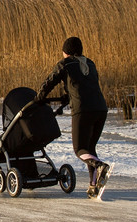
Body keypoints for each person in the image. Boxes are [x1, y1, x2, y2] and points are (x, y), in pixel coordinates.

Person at [34, 37, 109, 198]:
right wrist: (68, 95)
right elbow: (83, 85)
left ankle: (99, 166)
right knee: (90, 149)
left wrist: (39, 98)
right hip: (101, 109)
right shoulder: (90, 63)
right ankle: (93, 186)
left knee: (79, 149)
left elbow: (49, 82)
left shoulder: (65, 64)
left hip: (83, 111)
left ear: (66, 51)